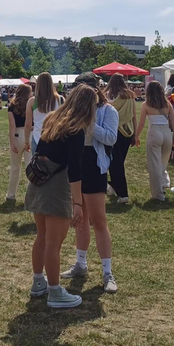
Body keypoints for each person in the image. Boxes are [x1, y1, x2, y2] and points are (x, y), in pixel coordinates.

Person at [25, 85, 97, 309]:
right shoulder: (76, 129)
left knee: (42, 237)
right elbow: (75, 170)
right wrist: (77, 203)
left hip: (39, 181)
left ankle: (39, 282)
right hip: (57, 186)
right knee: (53, 244)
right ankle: (55, 292)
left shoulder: (52, 118)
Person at [59, 73, 119, 294]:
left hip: (94, 165)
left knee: (99, 220)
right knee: (79, 218)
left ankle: (107, 271)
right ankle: (80, 264)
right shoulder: (72, 109)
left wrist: (90, 123)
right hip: (75, 165)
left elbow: (112, 138)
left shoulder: (108, 111)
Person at [137, 81, 174, 202]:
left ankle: (158, 193)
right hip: (166, 133)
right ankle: (164, 183)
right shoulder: (168, 104)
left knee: (154, 164)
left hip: (154, 131)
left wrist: (136, 136)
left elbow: (141, 123)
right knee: (163, 162)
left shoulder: (146, 104)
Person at [105, 73, 136, 204]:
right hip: (127, 131)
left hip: (113, 131)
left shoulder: (107, 97)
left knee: (115, 163)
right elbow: (133, 115)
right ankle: (113, 186)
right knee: (118, 162)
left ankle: (123, 194)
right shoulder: (130, 96)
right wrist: (135, 135)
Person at [6, 83, 33, 202]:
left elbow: (12, 126)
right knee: (30, 167)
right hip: (29, 135)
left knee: (15, 167)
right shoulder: (31, 104)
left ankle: (11, 195)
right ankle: (30, 195)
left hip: (17, 135)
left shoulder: (12, 106)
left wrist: (12, 141)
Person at [25, 72, 62, 152]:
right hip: (56, 138)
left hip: (37, 137)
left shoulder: (32, 101)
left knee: (37, 164)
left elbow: (28, 125)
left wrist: (26, 142)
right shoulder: (60, 99)